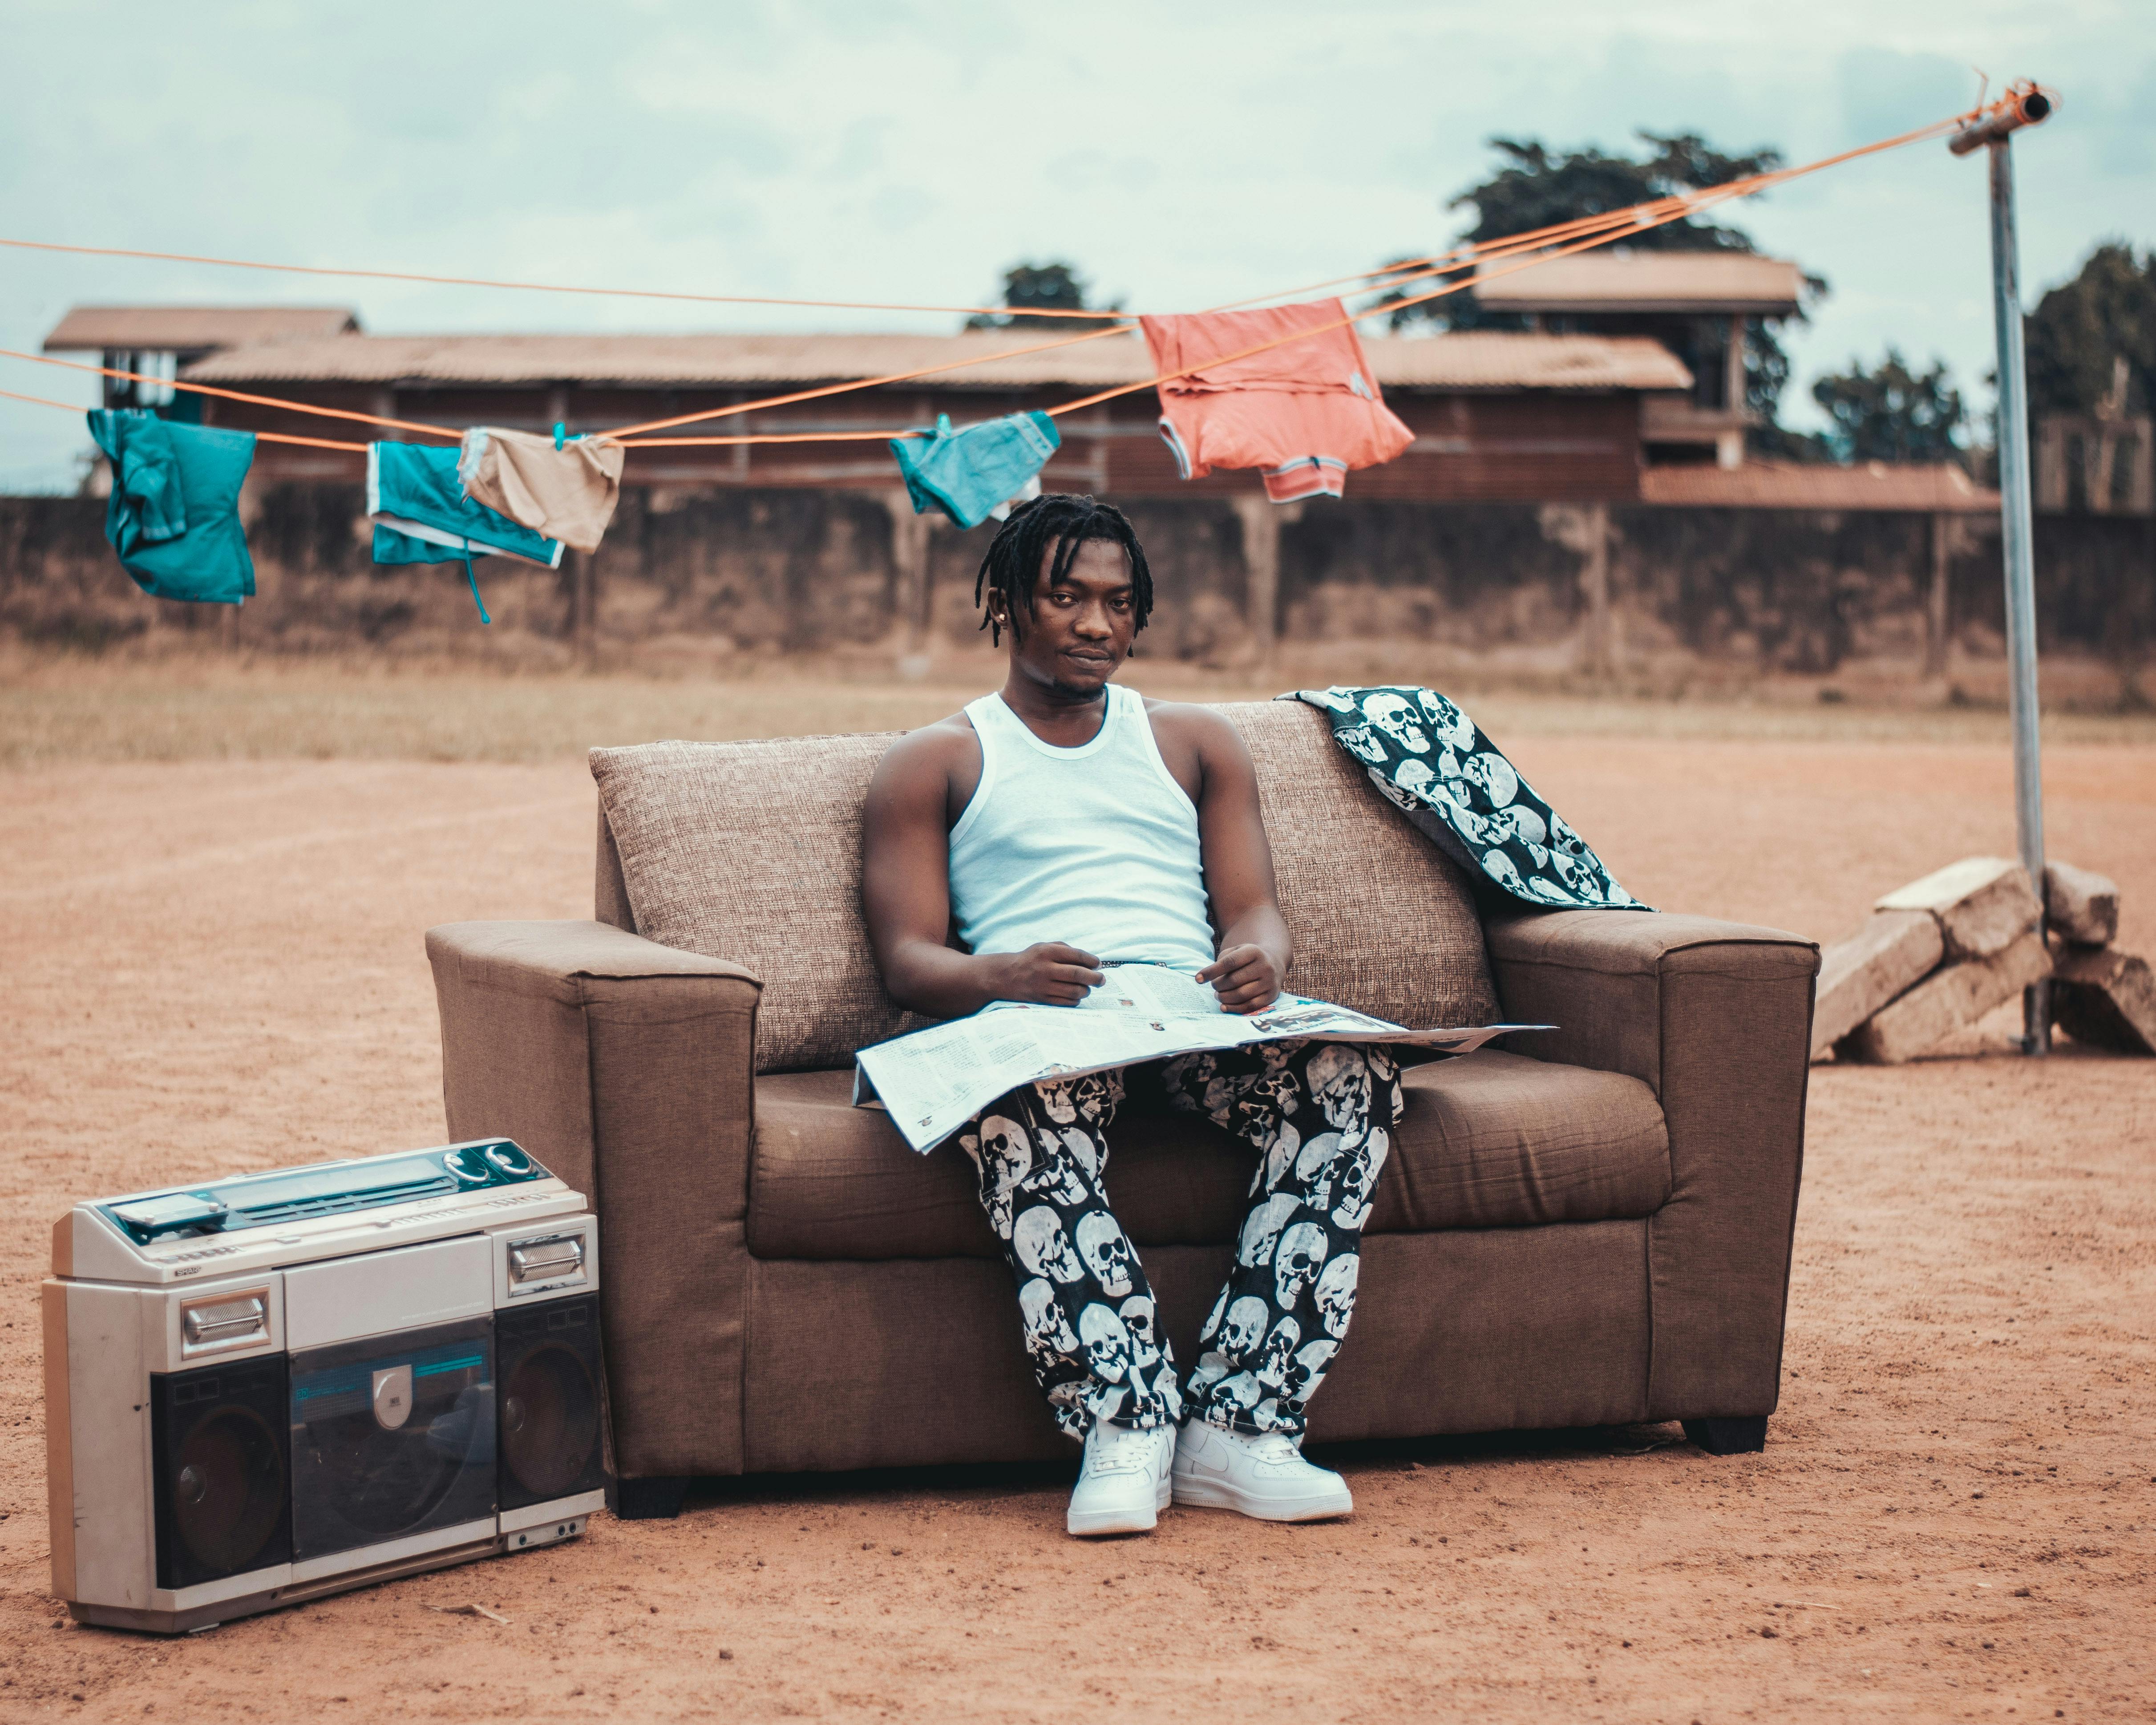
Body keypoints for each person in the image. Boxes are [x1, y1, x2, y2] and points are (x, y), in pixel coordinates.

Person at [862, 493, 1402, 1538]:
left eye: (1117, 603)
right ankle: (1128, 1421)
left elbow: (1251, 907)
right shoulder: (935, 761)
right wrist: (1000, 974)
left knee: (1355, 1076)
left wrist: (1262, 959)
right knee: (1018, 1109)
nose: (1095, 625)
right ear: (1008, 604)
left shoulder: (1195, 740)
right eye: (1065, 597)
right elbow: (907, 961)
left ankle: (1240, 1429)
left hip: (1189, 1012)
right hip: (1045, 1014)